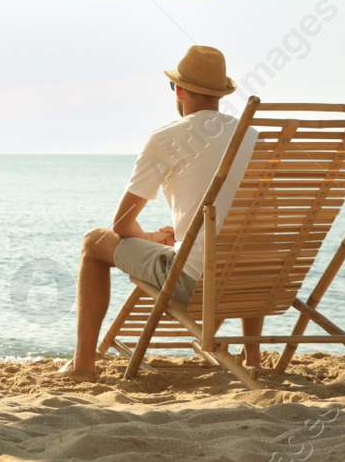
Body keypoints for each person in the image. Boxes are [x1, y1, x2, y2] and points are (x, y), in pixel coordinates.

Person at [60, 45, 262, 382]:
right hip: (256, 281)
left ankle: (83, 365)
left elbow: (121, 225)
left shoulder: (168, 138)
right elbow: (258, 223)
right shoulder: (253, 137)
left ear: (180, 91)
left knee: (93, 243)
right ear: (220, 95)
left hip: (196, 283)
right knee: (244, 243)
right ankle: (251, 354)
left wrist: (153, 238)